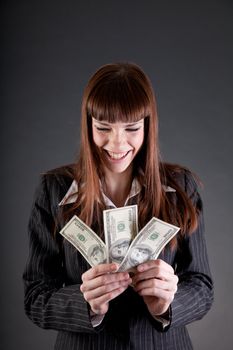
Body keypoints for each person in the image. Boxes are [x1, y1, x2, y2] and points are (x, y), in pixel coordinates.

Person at [23, 62, 213, 350]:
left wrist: (166, 305)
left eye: (132, 128)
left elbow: (201, 286)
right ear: (88, 125)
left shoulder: (181, 188)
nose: (117, 143)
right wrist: (85, 304)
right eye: (103, 127)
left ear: (149, 126)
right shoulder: (53, 190)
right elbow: (35, 296)